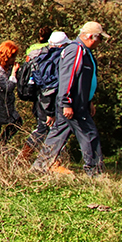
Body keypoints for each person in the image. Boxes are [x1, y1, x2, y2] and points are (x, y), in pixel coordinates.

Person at [33, 21, 106, 177]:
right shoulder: (76, 50)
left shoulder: (85, 51)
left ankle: (39, 166)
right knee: (89, 135)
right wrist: (67, 103)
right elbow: (68, 77)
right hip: (73, 104)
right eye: (100, 38)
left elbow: (85, 80)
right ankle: (95, 172)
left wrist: (89, 100)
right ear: (90, 37)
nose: (101, 42)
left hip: (78, 102)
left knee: (57, 134)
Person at [18, 31, 69, 163]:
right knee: (50, 130)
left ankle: (24, 158)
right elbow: (52, 87)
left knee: (43, 129)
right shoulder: (56, 60)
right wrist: (50, 111)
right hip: (48, 102)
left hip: (39, 100)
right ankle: (51, 162)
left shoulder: (41, 56)